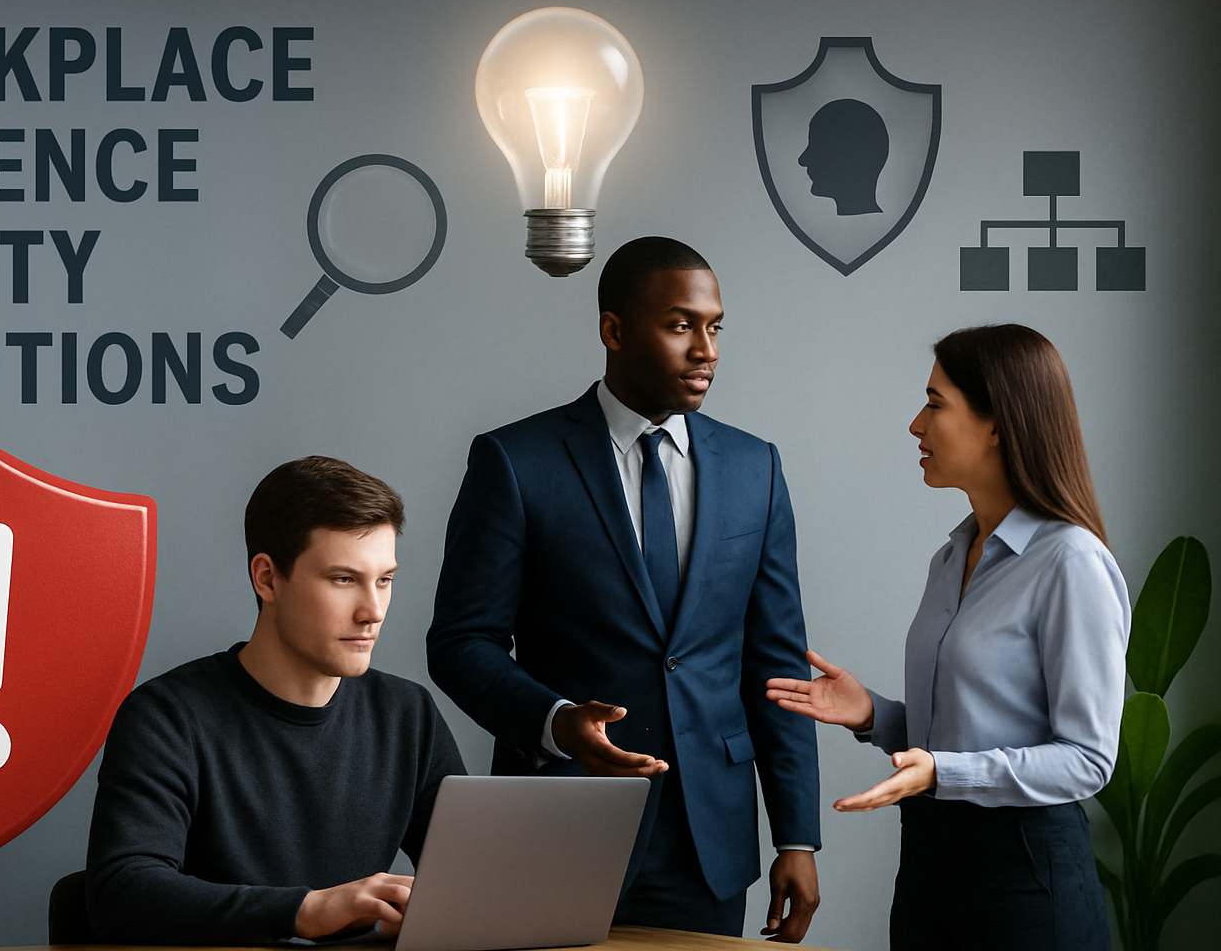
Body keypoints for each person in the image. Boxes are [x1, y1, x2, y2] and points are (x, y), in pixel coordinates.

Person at [427, 237, 822, 941]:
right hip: (558, 824)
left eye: (715, 326)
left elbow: (777, 663)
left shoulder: (754, 467)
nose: (707, 349)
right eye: (680, 325)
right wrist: (555, 722)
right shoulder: (516, 462)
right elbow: (462, 643)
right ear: (613, 330)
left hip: (709, 841)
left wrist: (797, 835)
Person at [765, 324, 1129, 951]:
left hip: (1025, 885)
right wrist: (875, 714)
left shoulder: (1071, 562)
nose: (916, 425)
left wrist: (941, 772)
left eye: (935, 404)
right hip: (930, 877)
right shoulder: (951, 556)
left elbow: (1087, 759)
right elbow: (968, 735)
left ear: (997, 423)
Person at [86, 456, 466, 945]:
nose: (373, 611)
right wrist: (306, 910)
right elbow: (121, 894)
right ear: (267, 578)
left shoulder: (408, 715)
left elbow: (472, 879)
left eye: (385, 580)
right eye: (343, 579)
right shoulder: (166, 718)